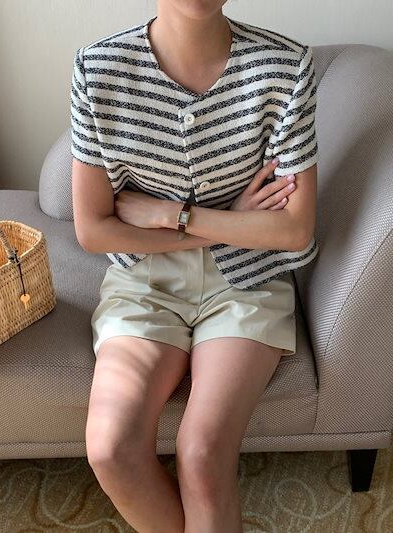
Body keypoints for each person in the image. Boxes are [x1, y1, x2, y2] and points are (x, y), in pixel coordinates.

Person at [70, 1, 319, 531]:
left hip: (248, 281)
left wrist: (172, 215)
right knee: (111, 449)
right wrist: (232, 222)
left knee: (203, 453)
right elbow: (93, 229)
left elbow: (294, 229)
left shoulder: (285, 66)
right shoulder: (98, 69)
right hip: (144, 283)